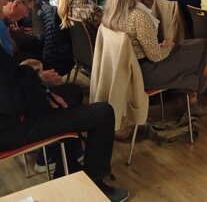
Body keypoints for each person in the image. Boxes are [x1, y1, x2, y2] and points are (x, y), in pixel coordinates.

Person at [0, 45, 128, 201]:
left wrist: (40, 87)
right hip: (11, 128)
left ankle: (67, 167)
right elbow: (12, 101)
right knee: (103, 113)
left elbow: (10, 81)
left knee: (73, 92)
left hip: (15, 113)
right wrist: (38, 80)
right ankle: (94, 184)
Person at [102, 0, 207, 118]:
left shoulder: (111, 11)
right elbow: (156, 56)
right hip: (144, 72)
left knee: (192, 53)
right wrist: (167, 46)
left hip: (125, 68)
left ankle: (198, 88)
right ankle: (205, 80)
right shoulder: (138, 15)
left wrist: (160, 45)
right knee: (203, 46)